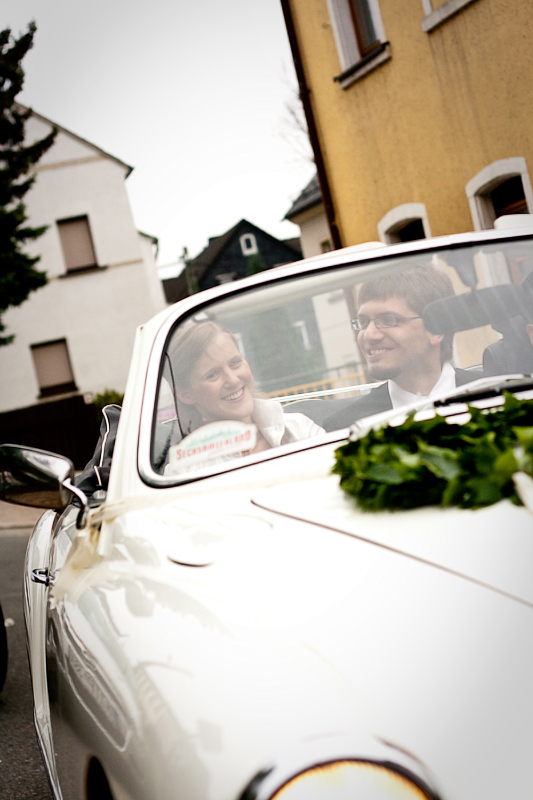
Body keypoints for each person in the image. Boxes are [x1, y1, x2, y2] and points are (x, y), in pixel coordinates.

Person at [323, 265, 474, 431]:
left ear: (436, 329)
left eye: (389, 320)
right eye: (364, 322)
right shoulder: (346, 428)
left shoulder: (498, 394)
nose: (369, 335)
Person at [163, 320, 324, 472]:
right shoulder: (183, 471)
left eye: (235, 363)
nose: (233, 380)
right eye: (212, 374)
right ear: (186, 395)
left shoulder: (299, 427)